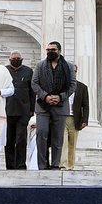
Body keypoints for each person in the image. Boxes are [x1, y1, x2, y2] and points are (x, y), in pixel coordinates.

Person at [32, 41, 76, 170]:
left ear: (59, 51)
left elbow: (73, 85)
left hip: (61, 106)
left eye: (53, 49)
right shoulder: (40, 66)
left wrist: (60, 97)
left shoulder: (68, 66)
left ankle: (55, 164)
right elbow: (34, 84)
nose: (50, 52)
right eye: (48, 49)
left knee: (58, 137)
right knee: (42, 133)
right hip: (43, 106)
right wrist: (45, 96)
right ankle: (42, 165)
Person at [4, 49, 34, 169]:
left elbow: (32, 92)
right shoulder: (4, 71)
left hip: (23, 110)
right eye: (14, 59)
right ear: (10, 60)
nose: (16, 61)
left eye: (18, 59)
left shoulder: (28, 71)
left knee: (21, 139)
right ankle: (10, 165)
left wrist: (32, 109)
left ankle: (21, 164)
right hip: (7, 110)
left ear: (21, 60)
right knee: (8, 140)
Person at [62, 64, 89, 171]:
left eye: (74, 71)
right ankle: (62, 164)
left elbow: (85, 105)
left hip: (75, 118)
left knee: (72, 144)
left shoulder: (82, 87)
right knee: (63, 143)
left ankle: (70, 165)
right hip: (62, 117)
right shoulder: (61, 86)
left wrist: (85, 120)